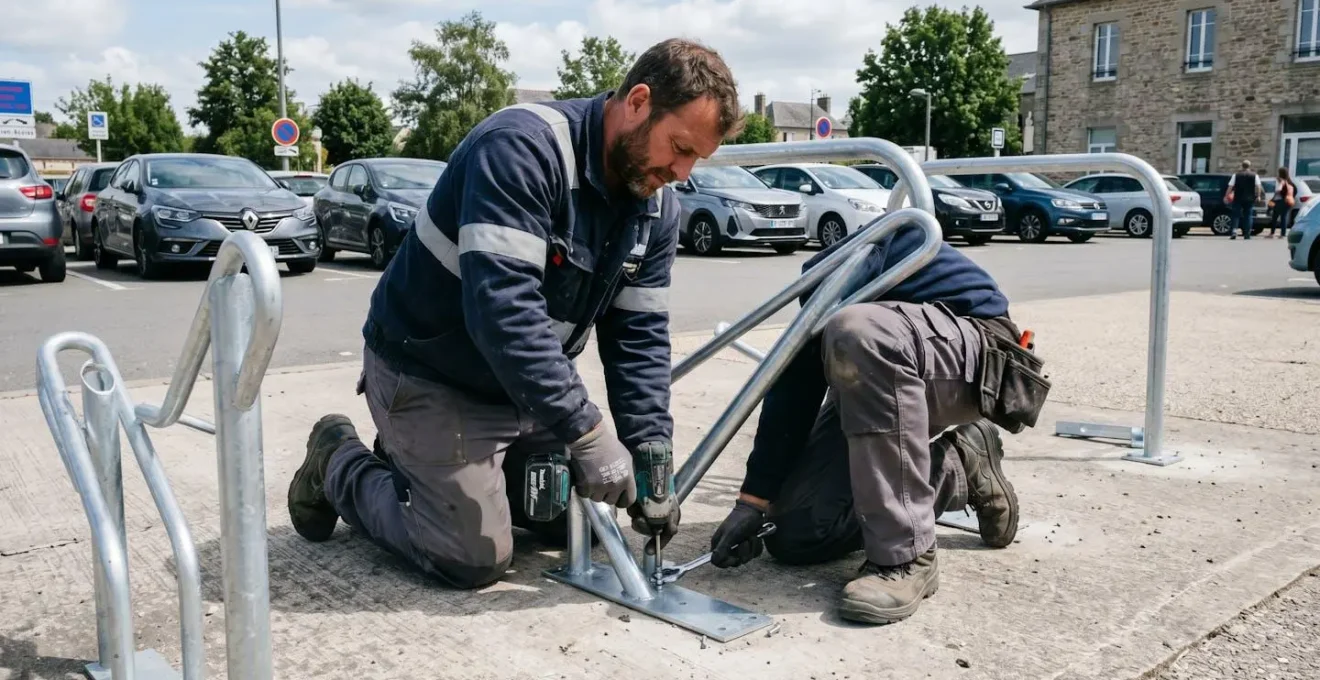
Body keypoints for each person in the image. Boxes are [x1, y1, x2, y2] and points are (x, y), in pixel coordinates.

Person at [286, 38, 743, 589]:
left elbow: (638, 336)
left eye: (696, 158)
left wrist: (650, 454)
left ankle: (428, 468)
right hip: (432, 375)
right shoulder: (520, 149)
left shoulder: (655, 203)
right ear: (639, 101)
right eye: (679, 147)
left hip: (524, 389)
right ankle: (339, 460)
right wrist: (588, 433)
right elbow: (503, 312)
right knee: (471, 555)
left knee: (576, 521)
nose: (683, 172)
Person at [706, 222, 1049, 625]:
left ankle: (906, 558)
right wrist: (754, 503)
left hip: (976, 350)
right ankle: (959, 464)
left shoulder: (859, 265)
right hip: (886, 365)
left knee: (858, 332)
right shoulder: (823, 286)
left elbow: (858, 342)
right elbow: (793, 391)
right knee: (796, 532)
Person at [1227, 160, 1263, 240]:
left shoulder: (1236, 175)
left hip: (1238, 197)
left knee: (1236, 215)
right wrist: (1258, 196)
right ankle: (1247, 233)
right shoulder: (1254, 175)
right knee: (1248, 216)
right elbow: (1258, 186)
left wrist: (1227, 195)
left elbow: (1230, 186)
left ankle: (1234, 231)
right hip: (1249, 198)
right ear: (1249, 166)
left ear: (1242, 166)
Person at [1268, 167, 1296, 239]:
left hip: (1280, 202)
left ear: (1280, 173)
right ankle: (1282, 234)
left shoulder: (1282, 181)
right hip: (1287, 202)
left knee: (1275, 217)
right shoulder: (1290, 182)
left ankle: (1272, 233)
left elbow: (1278, 190)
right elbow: (1295, 190)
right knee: (1283, 217)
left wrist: (1278, 191)